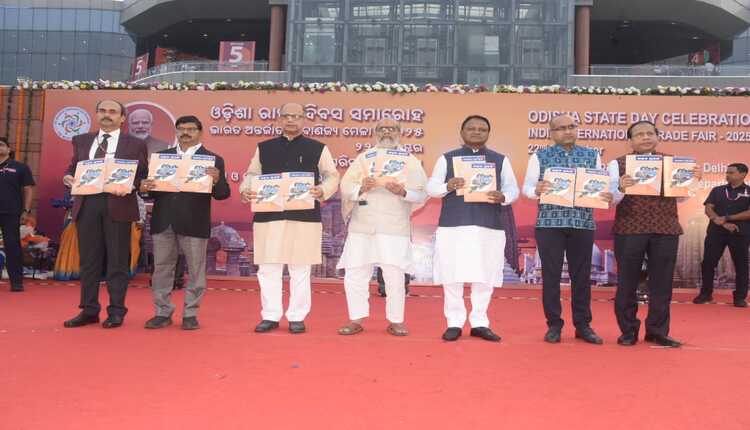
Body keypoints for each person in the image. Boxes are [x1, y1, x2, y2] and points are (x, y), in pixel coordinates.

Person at [240, 102, 340, 334]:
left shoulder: (318, 148)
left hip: (304, 217)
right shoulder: (264, 147)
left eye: (296, 116)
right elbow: (252, 174)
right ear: (279, 119)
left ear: (304, 119)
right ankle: (270, 315)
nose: (291, 120)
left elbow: (332, 176)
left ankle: (297, 316)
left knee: (300, 268)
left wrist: (322, 190)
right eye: (286, 116)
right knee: (268, 268)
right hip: (268, 216)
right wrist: (246, 189)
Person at [608, 120, 702, 347]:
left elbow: (681, 197)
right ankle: (628, 331)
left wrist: (693, 182)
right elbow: (611, 200)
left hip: (665, 228)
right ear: (630, 141)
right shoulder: (617, 164)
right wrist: (620, 187)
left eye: (650, 133)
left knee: (662, 284)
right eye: (639, 134)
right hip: (630, 228)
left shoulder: (672, 163)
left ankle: (658, 331)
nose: (646, 137)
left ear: (657, 137)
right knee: (627, 283)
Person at [426, 115, 519, 342]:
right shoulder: (447, 158)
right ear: (462, 132)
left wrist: (503, 196)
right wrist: (447, 186)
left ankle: (480, 322)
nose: (477, 132)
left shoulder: (500, 160)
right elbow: (431, 187)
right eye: (471, 128)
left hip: (489, 226)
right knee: (452, 274)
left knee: (485, 275)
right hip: (453, 225)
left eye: (482, 129)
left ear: (488, 133)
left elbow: (512, 189)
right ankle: (454, 322)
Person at [522, 114, 610, 344]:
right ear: (551, 133)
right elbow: (527, 189)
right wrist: (536, 189)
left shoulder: (592, 155)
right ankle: (554, 325)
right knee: (550, 277)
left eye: (572, 126)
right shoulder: (539, 156)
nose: (568, 131)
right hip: (549, 223)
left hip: (582, 222)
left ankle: (583, 325)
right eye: (561, 128)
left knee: (581, 277)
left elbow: (601, 186)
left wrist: (605, 194)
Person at [336, 118, 427, 336]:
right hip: (362, 223)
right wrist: (361, 187)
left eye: (392, 128)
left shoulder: (410, 160)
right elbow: (346, 187)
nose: (387, 132)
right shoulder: (364, 158)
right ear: (375, 133)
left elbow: (422, 193)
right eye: (382, 129)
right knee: (355, 273)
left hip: (394, 225)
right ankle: (355, 319)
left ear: (399, 133)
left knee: (395, 275)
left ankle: (396, 321)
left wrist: (403, 192)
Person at [62, 99, 148, 329]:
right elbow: (74, 167)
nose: (107, 115)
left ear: (122, 118)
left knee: (117, 262)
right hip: (87, 204)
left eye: (113, 111)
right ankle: (89, 310)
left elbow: (143, 175)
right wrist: (68, 176)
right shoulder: (81, 140)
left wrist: (131, 185)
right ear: (96, 114)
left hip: (119, 204)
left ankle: (116, 311)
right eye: (102, 111)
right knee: (88, 261)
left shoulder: (136, 144)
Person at [139, 115, 231, 330]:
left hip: (194, 223)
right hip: (164, 221)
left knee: (196, 271)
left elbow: (222, 194)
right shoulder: (161, 157)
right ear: (176, 132)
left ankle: (190, 314)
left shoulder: (213, 159)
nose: (186, 133)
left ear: (200, 132)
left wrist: (217, 180)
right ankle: (162, 313)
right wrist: (144, 188)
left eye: (191, 129)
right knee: (161, 269)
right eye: (181, 129)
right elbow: (151, 191)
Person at [693, 163, 750, 307]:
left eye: (731, 172)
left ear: (743, 174)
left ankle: (740, 297)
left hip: (740, 232)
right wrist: (720, 222)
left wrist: (727, 218)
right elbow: (708, 208)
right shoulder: (717, 190)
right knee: (708, 263)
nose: (727, 175)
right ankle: (705, 294)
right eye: (727, 172)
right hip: (716, 232)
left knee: (741, 265)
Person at [0, 137, 35, 292]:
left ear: (9, 149)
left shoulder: (20, 167)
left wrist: (26, 210)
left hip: (11, 212)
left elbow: (28, 189)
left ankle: (16, 282)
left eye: (1, 145)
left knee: (12, 246)